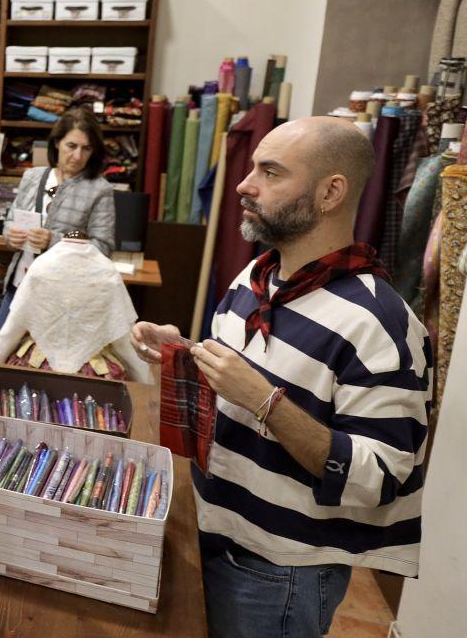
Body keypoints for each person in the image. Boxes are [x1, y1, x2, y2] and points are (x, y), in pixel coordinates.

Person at [131, 117, 430, 638]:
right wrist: (185, 353)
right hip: (211, 526)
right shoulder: (256, 277)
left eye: (270, 172)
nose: (245, 185)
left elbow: (380, 478)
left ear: (331, 191)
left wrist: (266, 402)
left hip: (278, 571)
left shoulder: (380, 323)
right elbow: (235, 389)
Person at [0, 106, 115, 336]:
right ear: (57, 143)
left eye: (86, 148)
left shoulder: (100, 190)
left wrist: (55, 240)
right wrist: (10, 234)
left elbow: (103, 247)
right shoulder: (33, 176)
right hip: (19, 285)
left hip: (62, 296)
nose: (78, 156)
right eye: (71, 146)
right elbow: (10, 221)